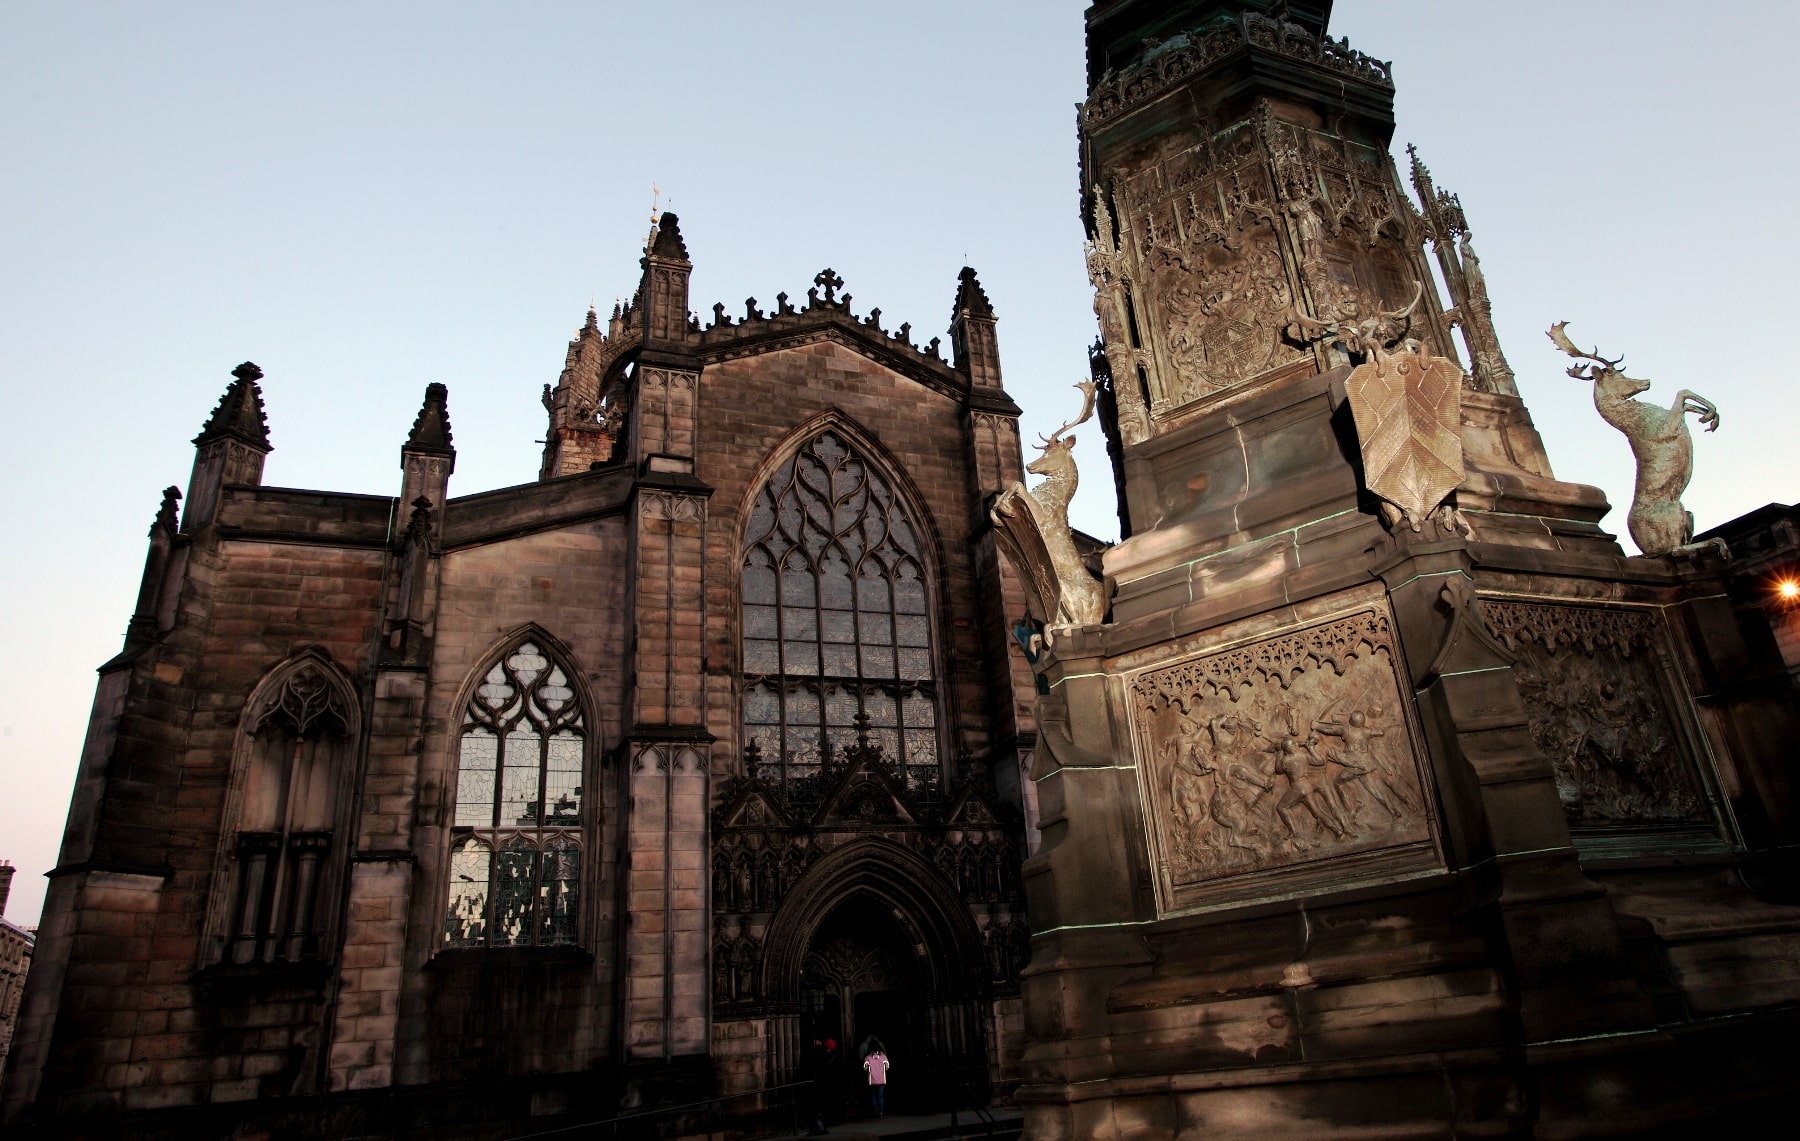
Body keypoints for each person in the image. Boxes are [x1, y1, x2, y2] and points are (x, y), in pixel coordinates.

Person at [862, 1044, 891, 1117]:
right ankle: (881, 1112)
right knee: (881, 1096)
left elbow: (865, 1068)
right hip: (882, 1080)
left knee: (873, 1095)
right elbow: (887, 1067)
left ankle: (876, 1107)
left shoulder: (868, 1058)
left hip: (872, 1080)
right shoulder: (884, 1057)